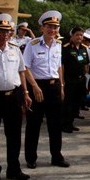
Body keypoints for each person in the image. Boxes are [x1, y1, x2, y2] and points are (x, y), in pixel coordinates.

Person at [0, 13, 32, 180]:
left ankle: (14, 168)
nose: (4, 35)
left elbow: (21, 71)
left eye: (7, 31)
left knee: (14, 134)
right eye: (0, 31)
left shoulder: (15, 48)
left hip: (13, 96)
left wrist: (25, 93)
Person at [23, 10, 70, 169]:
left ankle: (56, 156)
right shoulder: (32, 44)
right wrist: (34, 87)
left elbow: (59, 67)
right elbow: (25, 67)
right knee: (34, 124)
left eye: (55, 27)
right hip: (38, 87)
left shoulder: (58, 44)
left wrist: (61, 86)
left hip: (54, 86)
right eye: (49, 27)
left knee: (55, 125)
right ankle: (30, 158)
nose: (53, 30)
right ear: (42, 28)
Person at [61, 26, 90, 133]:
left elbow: (86, 63)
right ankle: (65, 124)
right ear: (72, 36)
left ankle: (71, 122)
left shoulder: (83, 48)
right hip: (69, 79)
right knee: (68, 103)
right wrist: (62, 80)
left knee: (76, 103)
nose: (79, 37)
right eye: (77, 35)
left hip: (80, 80)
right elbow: (62, 65)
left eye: (81, 35)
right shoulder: (66, 48)